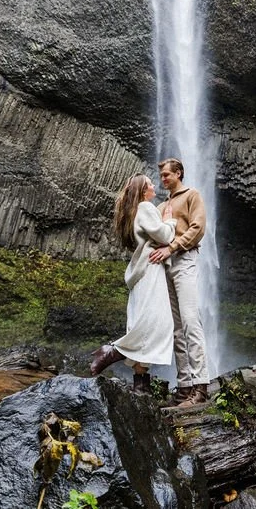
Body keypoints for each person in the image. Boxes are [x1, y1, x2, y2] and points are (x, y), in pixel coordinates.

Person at [89, 173, 176, 393]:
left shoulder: (132, 212)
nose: (154, 185)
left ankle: (141, 384)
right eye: (149, 183)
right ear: (142, 190)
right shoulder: (146, 207)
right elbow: (164, 236)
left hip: (141, 275)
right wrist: (170, 219)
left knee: (141, 324)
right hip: (150, 272)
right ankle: (112, 351)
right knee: (156, 325)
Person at [148, 158, 209, 407]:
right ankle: (184, 387)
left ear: (179, 173)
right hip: (166, 266)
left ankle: (201, 386)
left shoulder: (192, 195)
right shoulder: (161, 206)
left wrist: (173, 246)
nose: (163, 179)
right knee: (175, 328)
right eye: (160, 176)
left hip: (184, 260)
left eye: (166, 175)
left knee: (190, 321)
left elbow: (198, 228)